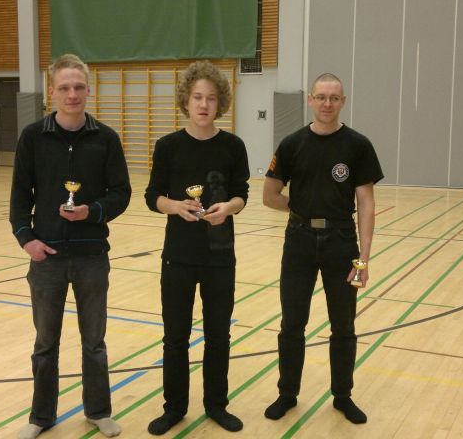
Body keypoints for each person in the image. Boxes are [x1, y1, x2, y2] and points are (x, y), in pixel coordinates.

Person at [9, 54, 131, 439]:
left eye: (78, 87)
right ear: (52, 91)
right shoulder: (32, 137)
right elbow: (19, 196)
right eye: (64, 87)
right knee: (45, 343)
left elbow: (121, 193)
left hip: (92, 257)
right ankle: (41, 417)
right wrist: (26, 239)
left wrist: (92, 211)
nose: (72, 94)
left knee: (94, 343)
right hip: (47, 258)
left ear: (88, 90)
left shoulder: (106, 138)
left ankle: (98, 411)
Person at [262, 73, 384, 424]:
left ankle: (343, 396)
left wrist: (363, 259)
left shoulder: (358, 145)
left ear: (343, 101)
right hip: (298, 241)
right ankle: (287, 394)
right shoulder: (291, 144)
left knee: (343, 325)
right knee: (292, 323)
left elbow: (366, 203)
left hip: (341, 243)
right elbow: (269, 196)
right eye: (321, 97)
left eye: (334, 98)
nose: (327, 103)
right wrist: (303, 208)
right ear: (310, 100)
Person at [144, 60, 250, 435]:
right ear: (185, 101)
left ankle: (216, 405)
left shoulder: (233, 146)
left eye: (211, 98)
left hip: (220, 257)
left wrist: (229, 208)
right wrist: (176, 206)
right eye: (197, 97)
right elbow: (152, 196)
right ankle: (174, 408)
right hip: (178, 257)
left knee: (218, 336)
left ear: (220, 103)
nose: (204, 104)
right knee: (175, 337)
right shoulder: (168, 146)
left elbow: (242, 194)